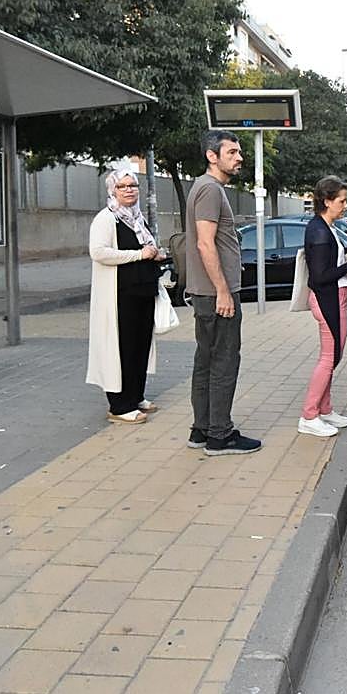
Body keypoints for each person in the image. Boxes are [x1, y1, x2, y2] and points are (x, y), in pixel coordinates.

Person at [184, 130, 262, 456]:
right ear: (212, 156)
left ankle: (201, 430)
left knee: (206, 361)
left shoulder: (207, 189)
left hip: (206, 295)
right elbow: (205, 243)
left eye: (239, 151)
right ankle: (220, 435)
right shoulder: (210, 190)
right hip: (215, 295)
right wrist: (223, 292)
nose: (239, 157)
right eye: (232, 152)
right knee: (224, 363)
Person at [86, 167, 165, 424]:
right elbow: (98, 252)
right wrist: (139, 255)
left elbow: (147, 247)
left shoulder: (137, 218)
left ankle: (135, 395)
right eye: (123, 186)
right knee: (122, 348)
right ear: (113, 190)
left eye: (133, 185)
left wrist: (156, 253)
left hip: (142, 294)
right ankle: (119, 405)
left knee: (139, 346)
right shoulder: (106, 219)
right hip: (120, 297)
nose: (129, 190)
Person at [299, 176, 347, 437]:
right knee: (328, 359)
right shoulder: (318, 232)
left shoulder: (325, 228)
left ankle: (324, 409)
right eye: (341, 200)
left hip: (334, 298)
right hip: (328, 299)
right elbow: (319, 277)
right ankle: (309, 415)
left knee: (333, 356)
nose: (345, 205)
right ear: (327, 201)